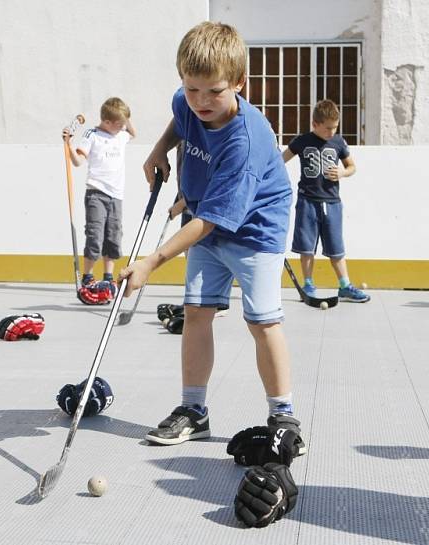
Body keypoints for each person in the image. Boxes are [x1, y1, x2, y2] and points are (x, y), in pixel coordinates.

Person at [119, 22, 305, 451]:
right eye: (192, 88)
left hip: (255, 231)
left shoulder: (245, 141)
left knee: (262, 321)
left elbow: (212, 221)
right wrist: (159, 149)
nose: (201, 101)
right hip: (207, 217)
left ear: (240, 83)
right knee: (196, 313)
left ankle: (284, 415)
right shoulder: (189, 102)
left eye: (214, 92)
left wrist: (151, 261)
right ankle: (193, 411)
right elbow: (181, 120)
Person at [282, 99, 369, 302]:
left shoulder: (338, 142)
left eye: (335, 127)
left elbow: (351, 167)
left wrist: (342, 173)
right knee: (306, 246)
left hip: (332, 202)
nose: (332, 132)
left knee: (336, 247)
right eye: (328, 128)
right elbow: (280, 160)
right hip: (307, 201)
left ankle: (345, 285)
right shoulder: (301, 141)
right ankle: (309, 284)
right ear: (315, 124)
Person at [62, 97, 135, 302]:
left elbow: (133, 133)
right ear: (107, 122)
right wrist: (68, 144)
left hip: (116, 195)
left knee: (113, 236)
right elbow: (77, 161)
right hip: (96, 193)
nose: (124, 127)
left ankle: (108, 277)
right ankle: (87, 277)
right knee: (95, 235)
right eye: (120, 124)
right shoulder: (92, 135)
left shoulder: (120, 135)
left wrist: (126, 118)